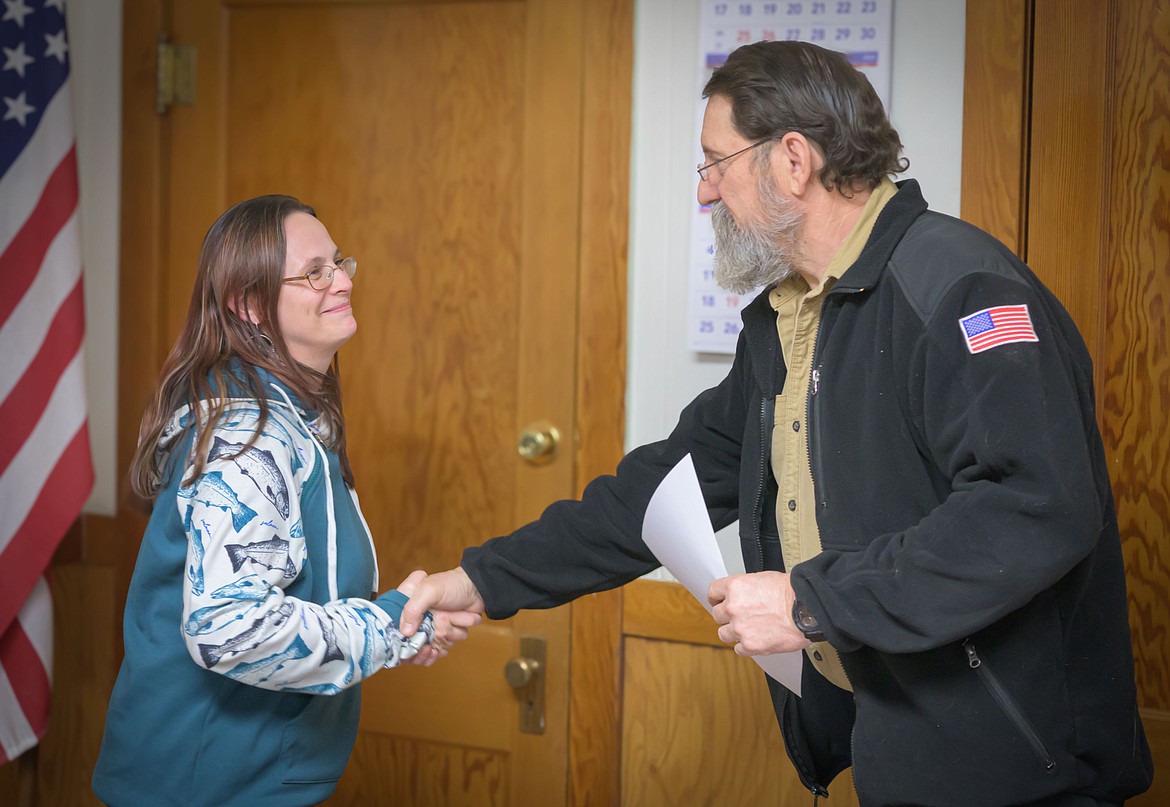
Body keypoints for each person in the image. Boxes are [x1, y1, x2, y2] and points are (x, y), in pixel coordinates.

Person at [398, 41, 1154, 806]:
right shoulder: (793, 317)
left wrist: (808, 602)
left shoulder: (957, 287)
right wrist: (482, 581)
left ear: (792, 160)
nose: (705, 194)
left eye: (714, 163)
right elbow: (659, 490)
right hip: (903, 753)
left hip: (1026, 773)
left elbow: (1035, 507)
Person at [92, 195, 479, 806]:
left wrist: (401, 624)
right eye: (314, 272)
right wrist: (392, 626)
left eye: (339, 263)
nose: (344, 281)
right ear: (247, 304)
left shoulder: (296, 421)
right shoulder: (248, 437)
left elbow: (300, 598)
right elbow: (231, 629)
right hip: (201, 788)